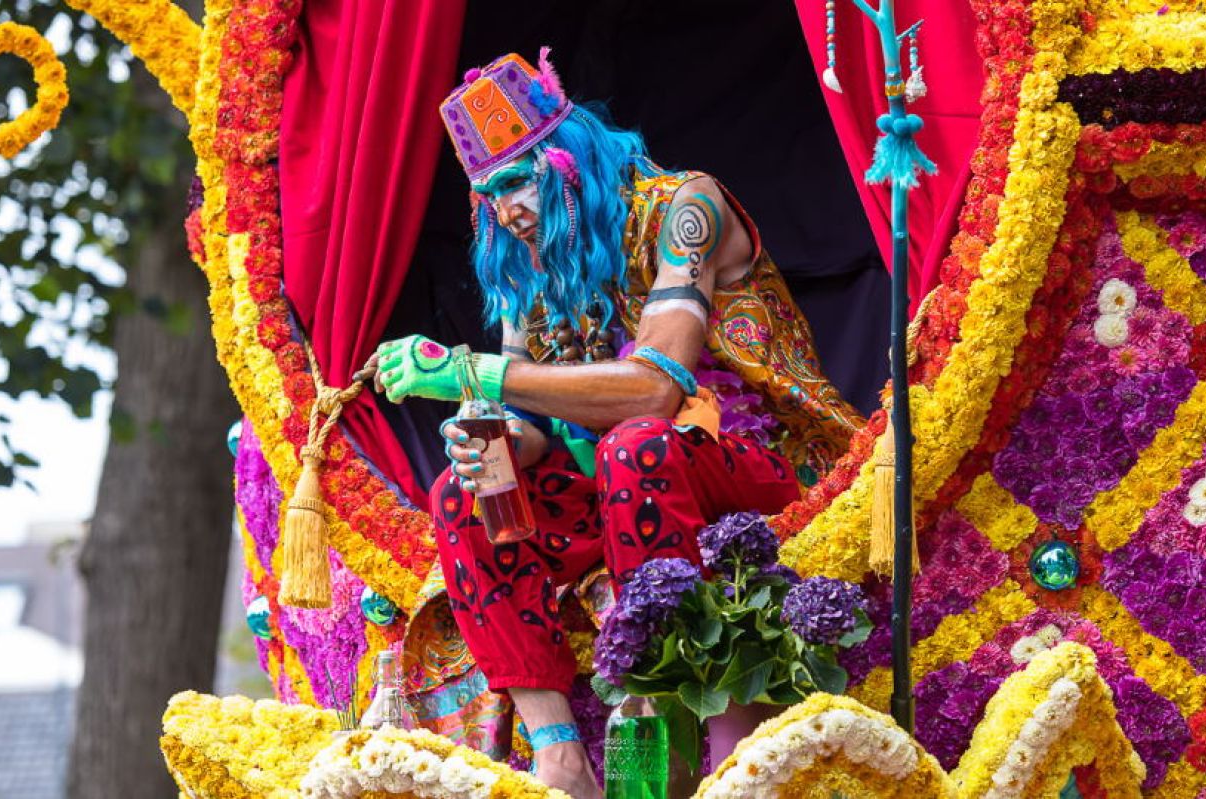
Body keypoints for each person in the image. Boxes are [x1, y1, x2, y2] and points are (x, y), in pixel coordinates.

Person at [369, 50, 862, 797]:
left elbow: (657, 390)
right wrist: (487, 441)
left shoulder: (682, 208)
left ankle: (659, 716)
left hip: (750, 464)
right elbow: (527, 428)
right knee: (462, 493)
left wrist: (473, 371)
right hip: (621, 490)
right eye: (487, 195)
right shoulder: (526, 266)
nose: (505, 211)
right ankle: (559, 755)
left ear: (570, 156)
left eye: (517, 181)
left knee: (635, 444)